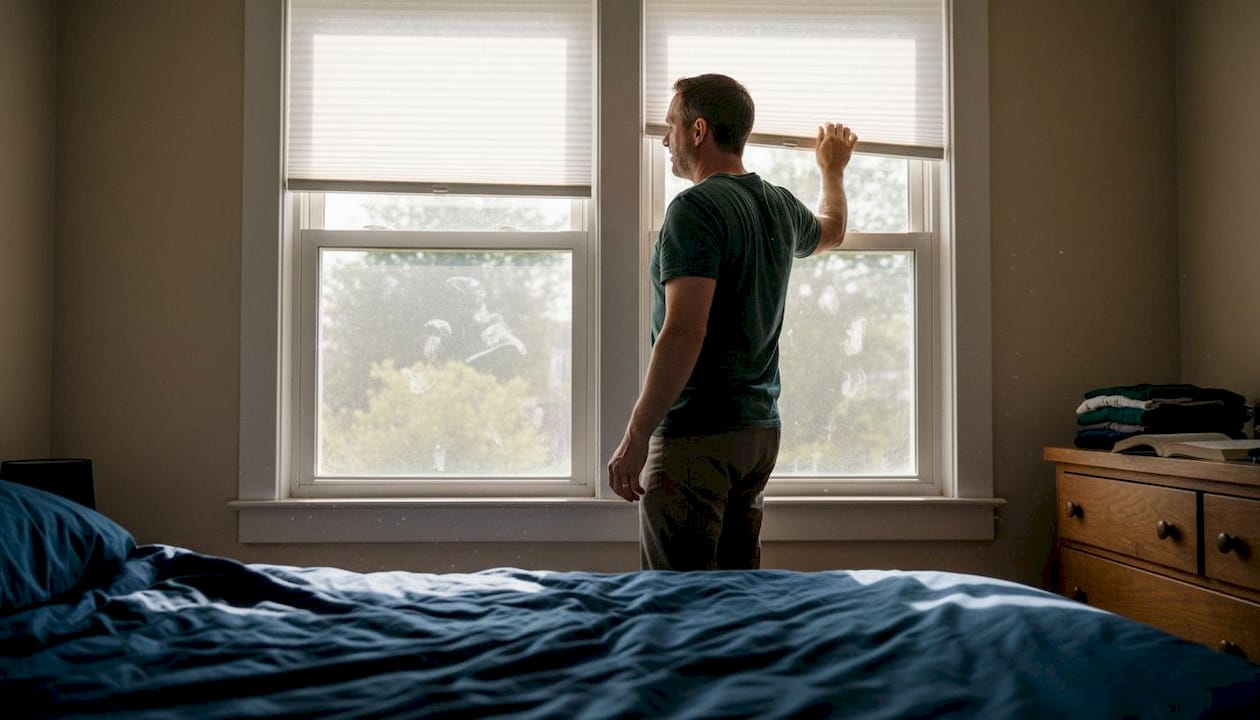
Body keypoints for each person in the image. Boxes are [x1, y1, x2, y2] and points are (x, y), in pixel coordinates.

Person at [606, 73, 857, 570]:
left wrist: (635, 439)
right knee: (736, 607)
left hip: (699, 435)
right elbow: (832, 231)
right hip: (758, 435)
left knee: (679, 608)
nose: (664, 138)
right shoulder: (779, 204)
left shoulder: (694, 209)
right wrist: (832, 170)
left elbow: (683, 332)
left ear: (698, 131)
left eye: (670, 124)